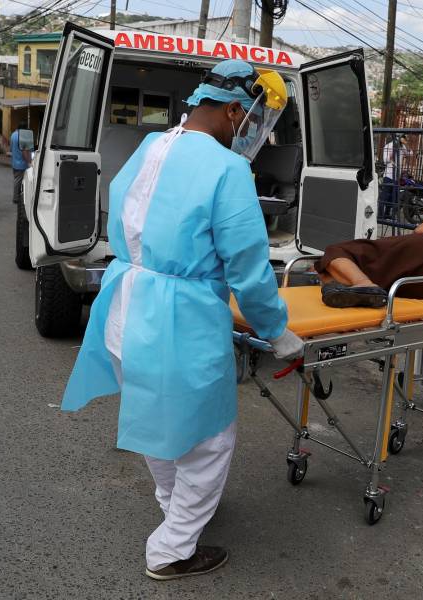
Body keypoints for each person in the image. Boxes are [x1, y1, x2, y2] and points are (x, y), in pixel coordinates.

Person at [60, 59, 304, 581]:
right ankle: (171, 549)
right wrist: (276, 331)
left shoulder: (151, 147)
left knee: (160, 421)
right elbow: (249, 270)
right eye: (250, 120)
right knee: (210, 441)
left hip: (124, 306)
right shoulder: (226, 169)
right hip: (176, 320)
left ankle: (176, 507)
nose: (249, 132)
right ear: (235, 110)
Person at [380, 134, 411, 220]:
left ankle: (387, 214)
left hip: (397, 177)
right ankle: (380, 215)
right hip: (388, 176)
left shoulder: (402, 147)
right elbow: (385, 160)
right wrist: (391, 155)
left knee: (393, 197)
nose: (404, 140)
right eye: (403, 138)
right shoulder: (388, 146)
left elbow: (410, 153)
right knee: (385, 196)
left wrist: (406, 144)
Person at [10, 122, 32, 204]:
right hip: (21, 164)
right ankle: (16, 198)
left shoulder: (13, 135)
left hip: (14, 162)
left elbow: (11, 148)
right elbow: (25, 152)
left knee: (17, 180)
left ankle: (17, 197)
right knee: (19, 181)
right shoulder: (23, 136)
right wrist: (29, 162)